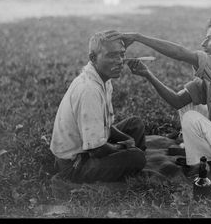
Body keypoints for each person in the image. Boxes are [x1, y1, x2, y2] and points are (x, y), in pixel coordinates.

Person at [108, 14, 211, 177]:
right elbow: (178, 101)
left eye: (210, 38)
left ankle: (195, 167)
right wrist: (148, 74)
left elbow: (180, 53)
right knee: (189, 106)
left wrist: (138, 37)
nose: (203, 43)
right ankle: (200, 153)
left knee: (191, 118)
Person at [50, 31, 146, 184]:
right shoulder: (89, 90)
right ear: (93, 58)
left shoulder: (103, 79)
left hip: (90, 145)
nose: (120, 61)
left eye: (122, 54)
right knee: (137, 157)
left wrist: (126, 139)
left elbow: (106, 125)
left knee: (135, 124)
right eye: (112, 55)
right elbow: (95, 150)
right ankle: (131, 160)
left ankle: (129, 158)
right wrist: (122, 148)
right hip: (76, 164)